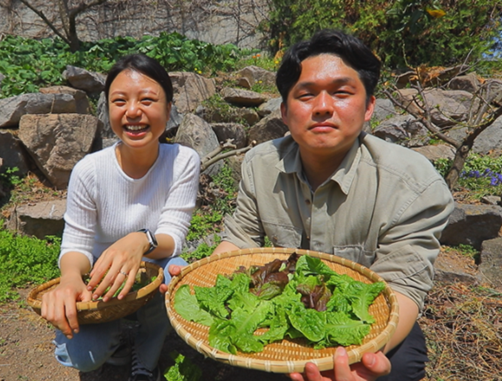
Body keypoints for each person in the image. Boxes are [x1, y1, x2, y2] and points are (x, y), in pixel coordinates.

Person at [162, 30, 454, 381]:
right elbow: (240, 242)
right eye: (307, 95)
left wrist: (357, 355)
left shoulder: (412, 183)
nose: (323, 107)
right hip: (278, 311)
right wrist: (206, 280)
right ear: (284, 112)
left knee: (396, 369)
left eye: (342, 92)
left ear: (369, 107)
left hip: (364, 317)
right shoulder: (260, 164)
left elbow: (402, 287)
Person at [41, 53, 201, 381]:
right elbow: (75, 244)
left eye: (147, 100)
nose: (132, 112)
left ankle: (148, 353)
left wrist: (139, 241)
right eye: (119, 101)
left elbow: (173, 234)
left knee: (178, 277)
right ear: (108, 110)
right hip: (99, 280)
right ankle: (112, 343)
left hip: (154, 264)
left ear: (168, 109)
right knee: (81, 355)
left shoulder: (183, 161)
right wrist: (71, 279)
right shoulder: (90, 170)